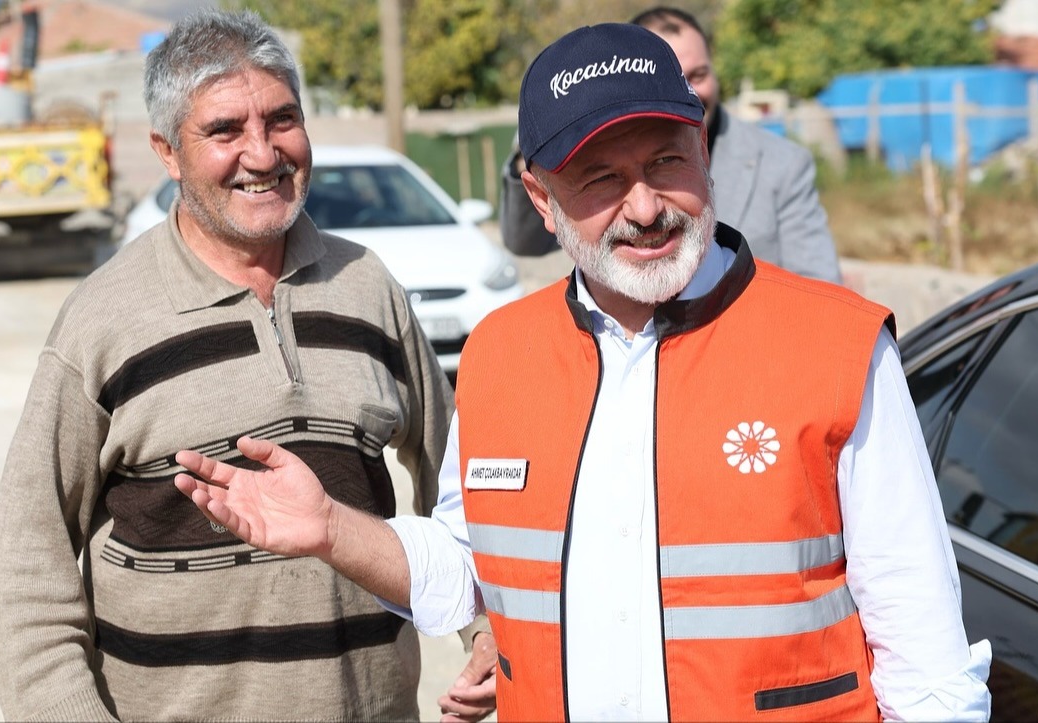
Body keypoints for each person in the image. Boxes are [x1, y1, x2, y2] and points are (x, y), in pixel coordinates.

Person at [172, 22, 993, 722]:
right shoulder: (501, 353)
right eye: (600, 178)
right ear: (540, 196)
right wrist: (331, 529)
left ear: (703, 148)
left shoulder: (836, 343)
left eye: (667, 161)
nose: (645, 207)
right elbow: (470, 572)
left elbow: (926, 658)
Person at [0, 9, 454, 721]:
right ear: (167, 152)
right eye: (225, 131)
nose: (263, 155)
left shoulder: (369, 287)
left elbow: (461, 478)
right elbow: (29, 550)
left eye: (282, 119)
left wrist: (489, 629)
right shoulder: (105, 318)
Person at [498, 6, 844, 285]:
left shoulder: (781, 161)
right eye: (603, 178)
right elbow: (526, 242)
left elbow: (819, 285)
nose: (646, 211)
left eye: (699, 75)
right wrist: (542, 142)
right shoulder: (515, 344)